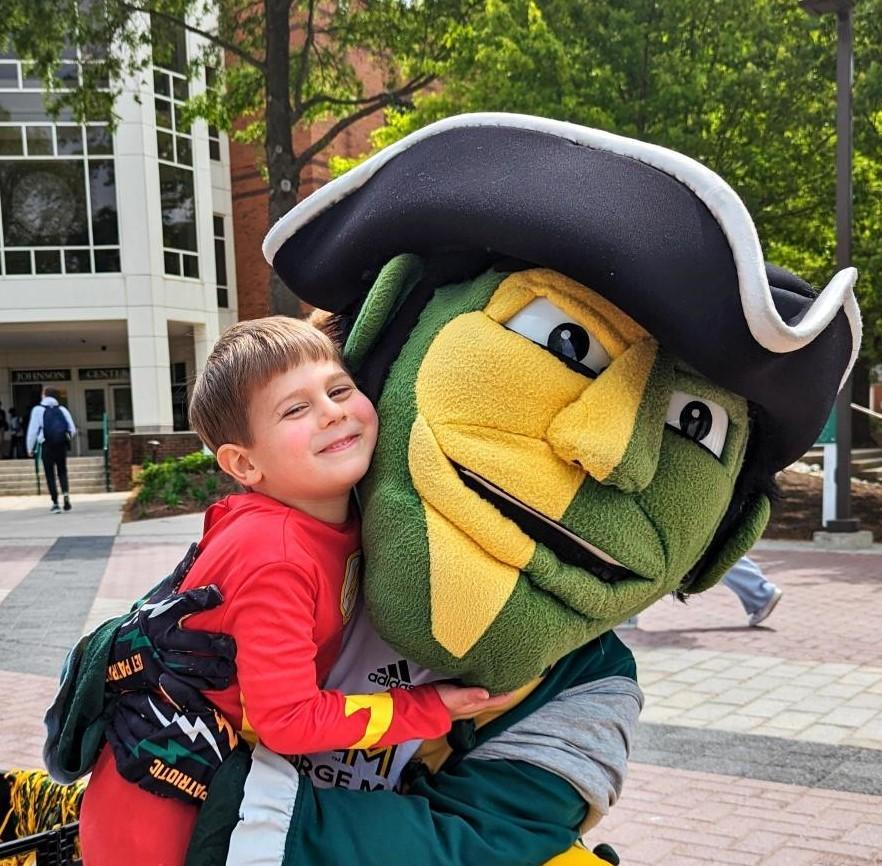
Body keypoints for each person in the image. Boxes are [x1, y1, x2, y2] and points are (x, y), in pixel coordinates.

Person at [78, 316, 510, 866]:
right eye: (295, 409)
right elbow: (288, 720)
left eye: (338, 389)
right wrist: (427, 709)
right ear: (244, 463)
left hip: (213, 783)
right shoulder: (275, 554)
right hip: (164, 812)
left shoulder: (326, 512)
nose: (331, 411)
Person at [25, 388, 76, 513]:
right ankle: (65, 495)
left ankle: (55, 503)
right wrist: (66, 439)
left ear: (44, 395)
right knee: (62, 471)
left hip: (46, 445)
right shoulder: (62, 409)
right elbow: (72, 430)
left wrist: (29, 448)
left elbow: (32, 431)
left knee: (50, 474)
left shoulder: (38, 410)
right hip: (60, 445)